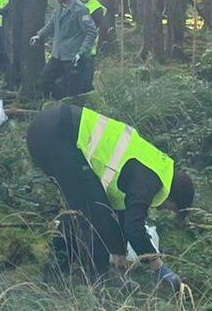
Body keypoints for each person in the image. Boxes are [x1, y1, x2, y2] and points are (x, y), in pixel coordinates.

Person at [26, 101, 194, 290]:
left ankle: (57, 271)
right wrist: (159, 267)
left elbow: (121, 217)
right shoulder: (150, 180)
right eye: (171, 209)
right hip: (57, 134)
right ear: (174, 198)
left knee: (85, 206)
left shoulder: (154, 168)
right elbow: (134, 228)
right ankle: (98, 287)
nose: (164, 210)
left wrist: (119, 257)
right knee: (96, 215)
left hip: (53, 128)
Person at [31, 0, 98, 100]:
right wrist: (39, 35)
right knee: (44, 81)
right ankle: (55, 103)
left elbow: (91, 32)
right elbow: (51, 24)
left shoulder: (80, 10)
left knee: (73, 91)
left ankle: (69, 109)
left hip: (73, 58)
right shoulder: (59, 6)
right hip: (58, 55)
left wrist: (81, 52)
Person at [78, 0, 109, 93]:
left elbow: (89, 32)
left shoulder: (97, 9)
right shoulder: (74, 2)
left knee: (84, 90)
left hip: (86, 55)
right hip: (68, 52)